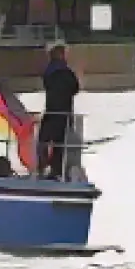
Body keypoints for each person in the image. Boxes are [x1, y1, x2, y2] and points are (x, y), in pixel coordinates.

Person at [38, 43, 80, 180]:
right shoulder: (66, 72)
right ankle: (56, 169)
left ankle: (42, 166)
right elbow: (74, 88)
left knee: (44, 139)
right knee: (59, 143)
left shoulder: (49, 71)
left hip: (50, 111)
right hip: (63, 112)